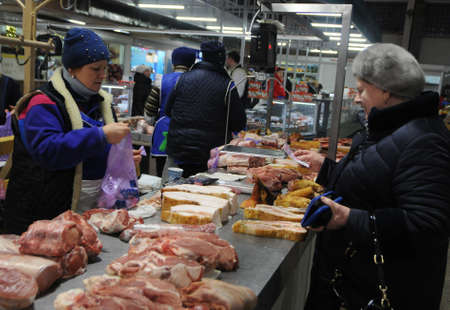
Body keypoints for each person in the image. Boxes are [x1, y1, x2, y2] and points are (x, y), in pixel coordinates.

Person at [297, 43, 450, 310]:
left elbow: (427, 224)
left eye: (361, 90)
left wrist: (347, 218)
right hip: (348, 283)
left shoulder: (424, 141)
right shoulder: (388, 130)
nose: (356, 99)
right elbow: (374, 182)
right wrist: (328, 170)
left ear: (385, 91)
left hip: (377, 291)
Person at [3, 28, 141, 234]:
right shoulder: (42, 103)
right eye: (95, 69)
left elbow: (91, 150)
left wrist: (118, 156)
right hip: (40, 213)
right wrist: (101, 135)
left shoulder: (100, 102)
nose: (102, 75)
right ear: (71, 69)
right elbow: (48, 150)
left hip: (86, 209)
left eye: (105, 68)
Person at [165, 41, 246, 177]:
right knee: (203, 194)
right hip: (209, 155)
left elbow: (168, 111)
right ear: (221, 58)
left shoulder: (182, 79)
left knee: (174, 190)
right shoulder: (227, 85)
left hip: (178, 150)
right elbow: (239, 123)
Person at [148, 47, 197, 177]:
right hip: (187, 134)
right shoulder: (196, 82)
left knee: (161, 172)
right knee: (183, 174)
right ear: (192, 63)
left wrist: (151, 122)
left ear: (173, 62)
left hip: (162, 131)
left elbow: (149, 112)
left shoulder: (161, 81)